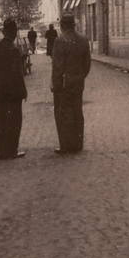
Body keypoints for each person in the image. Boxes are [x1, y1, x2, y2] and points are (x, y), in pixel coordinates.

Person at [0, 18, 28, 160]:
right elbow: (18, 74)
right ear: (14, 32)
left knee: (1, 119)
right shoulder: (14, 50)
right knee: (15, 121)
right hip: (13, 93)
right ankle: (12, 150)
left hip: (0, 93)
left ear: (4, 32)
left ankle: (0, 150)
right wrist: (23, 92)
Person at [51, 14, 91, 154]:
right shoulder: (83, 40)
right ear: (73, 25)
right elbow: (87, 65)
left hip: (63, 84)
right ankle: (78, 144)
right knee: (77, 112)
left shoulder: (59, 41)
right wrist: (79, 77)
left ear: (62, 25)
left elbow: (57, 67)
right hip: (78, 82)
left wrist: (55, 85)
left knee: (63, 114)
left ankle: (66, 145)